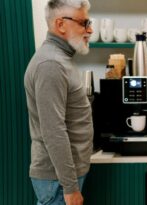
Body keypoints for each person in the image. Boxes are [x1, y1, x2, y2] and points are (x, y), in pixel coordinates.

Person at [24, 0, 93, 204]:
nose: (90, 30)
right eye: (84, 23)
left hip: (61, 178)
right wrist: (70, 187)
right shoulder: (51, 64)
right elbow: (53, 130)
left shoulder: (60, 59)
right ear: (61, 24)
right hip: (58, 181)